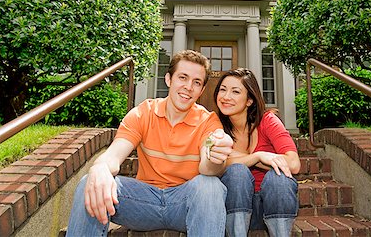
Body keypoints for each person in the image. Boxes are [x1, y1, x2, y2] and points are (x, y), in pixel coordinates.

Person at [66, 50, 234, 236]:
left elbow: (207, 168)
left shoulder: (208, 121)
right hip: (143, 203)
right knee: (90, 182)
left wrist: (214, 157)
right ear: (169, 79)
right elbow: (113, 156)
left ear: (202, 90)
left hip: (185, 204)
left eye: (196, 82)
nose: (188, 87)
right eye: (183, 78)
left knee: (210, 186)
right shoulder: (143, 113)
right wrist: (99, 168)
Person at [214, 68, 300, 237]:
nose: (226, 97)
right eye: (222, 89)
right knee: (237, 172)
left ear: (249, 100)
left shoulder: (267, 121)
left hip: (272, 207)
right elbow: (219, 165)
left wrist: (241, 158)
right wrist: (259, 156)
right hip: (234, 207)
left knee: (279, 177)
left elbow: (294, 164)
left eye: (235, 91)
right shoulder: (215, 126)